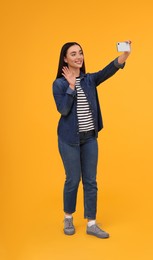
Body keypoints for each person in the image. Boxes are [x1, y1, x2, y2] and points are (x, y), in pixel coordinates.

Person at [52, 41, 131, 239]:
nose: (78, 57)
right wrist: (71, 86)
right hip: (69, 139)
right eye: (73, 54)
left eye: (80, 53)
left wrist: (125, 55)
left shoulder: (89, 80)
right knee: (72, 180)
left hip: (89, 139)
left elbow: (108, 70)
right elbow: (63, 110)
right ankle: (68, 217)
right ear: (65, 59)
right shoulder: (59, 84)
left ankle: (92, 223)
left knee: (90, 181)